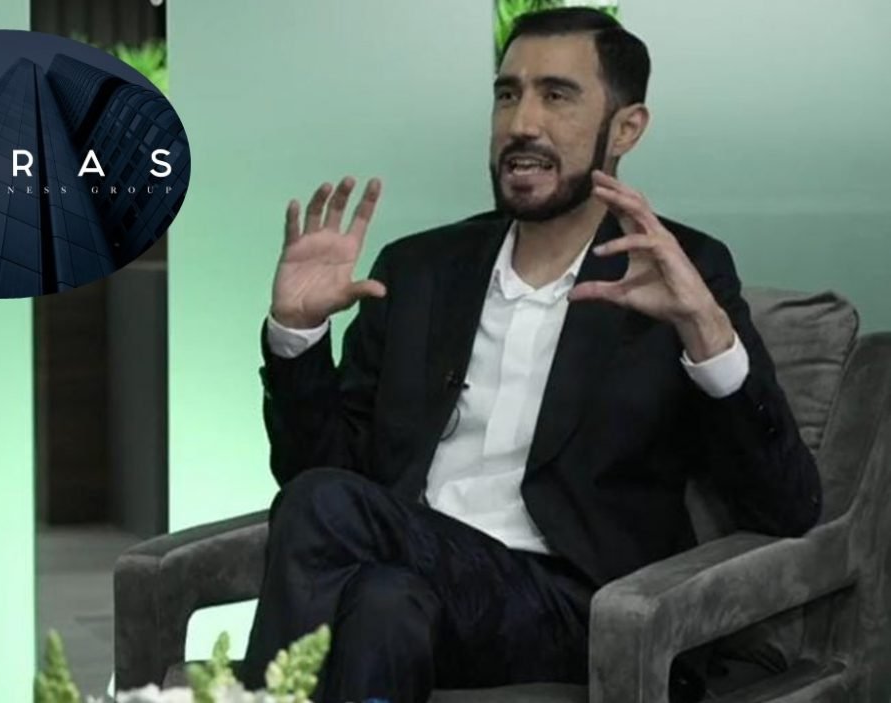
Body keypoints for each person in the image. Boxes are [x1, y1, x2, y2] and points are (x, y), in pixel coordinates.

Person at [240, 7, 821, 703]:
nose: (522, 123)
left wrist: (709, 335)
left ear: (626, 128)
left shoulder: (677, 272)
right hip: (426, 582)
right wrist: (297, 336)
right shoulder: (419, 269)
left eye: (557, 95)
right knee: (382, 605)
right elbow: (319, 474)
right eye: (507, 94)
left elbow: (788, 507)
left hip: (576, 608)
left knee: (328, 509)